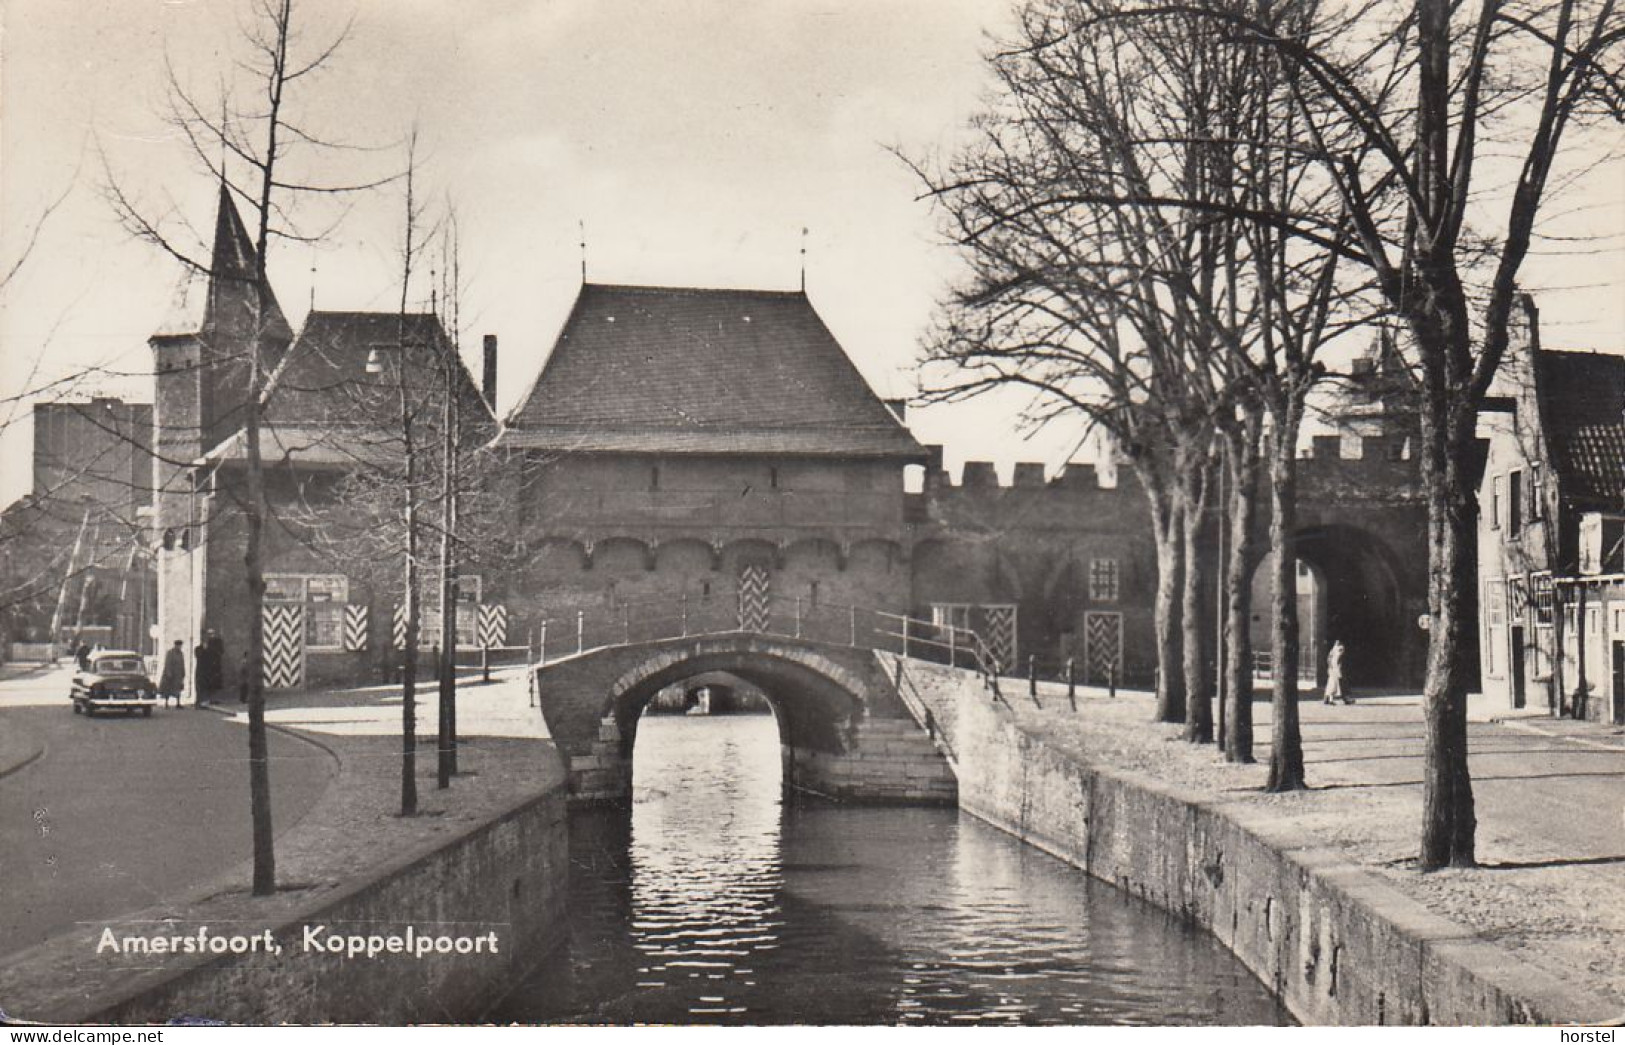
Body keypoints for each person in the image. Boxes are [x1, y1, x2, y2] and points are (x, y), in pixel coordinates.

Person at [194, 629, 225, 707]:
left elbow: (220, 652)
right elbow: (199, 655)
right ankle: (202, 700)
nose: (210, 636)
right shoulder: (200, 648)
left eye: (212, 634)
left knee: (213, 684)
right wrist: (204, 649)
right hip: (204, 670)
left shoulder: (216, 645)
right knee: (203, 685)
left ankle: (211, 699)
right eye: (209, 634)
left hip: (213, 669)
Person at [159, 640, 186, 708]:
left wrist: (183, 673)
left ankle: (178, 703)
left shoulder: (181, 653)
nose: (179, 647)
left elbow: (182, 664)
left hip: (178, 674)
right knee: (168, 689)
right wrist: (169, 673)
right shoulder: (170, 653)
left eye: (180, 646)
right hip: (171, 674)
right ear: (175, 645)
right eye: (178, 645)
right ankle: (166, 703)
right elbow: (167, 663)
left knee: (178, 689)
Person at [1323, 639, 1350, 705]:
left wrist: (1330, 666)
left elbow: (1329, 659)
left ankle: (1328, 699)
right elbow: (1338, 658)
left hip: (1333, 669)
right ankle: (1344, 699)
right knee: (1339, 684)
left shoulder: (1333, 650)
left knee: (1332, 684)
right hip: (1337, 669)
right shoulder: (1340, 649)